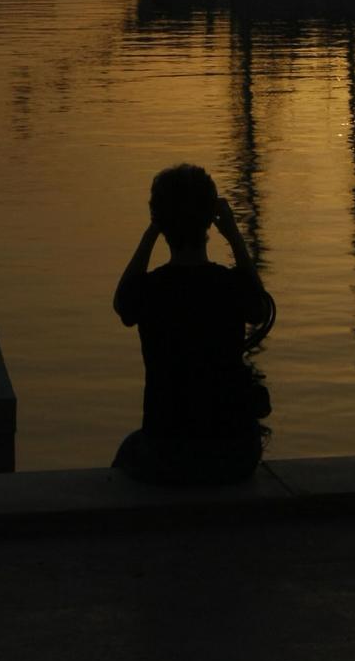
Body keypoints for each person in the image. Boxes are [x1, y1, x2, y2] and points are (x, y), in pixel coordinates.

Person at [111, 162, 271, 487]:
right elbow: (259, 306)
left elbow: (123, 304)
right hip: (232, 454)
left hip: (167, 453)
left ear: (160, 220)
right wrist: (234, 233)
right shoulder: (230, 286)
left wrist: (152, 230)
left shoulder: (150, 291)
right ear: (209, 222)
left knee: (128, 450)